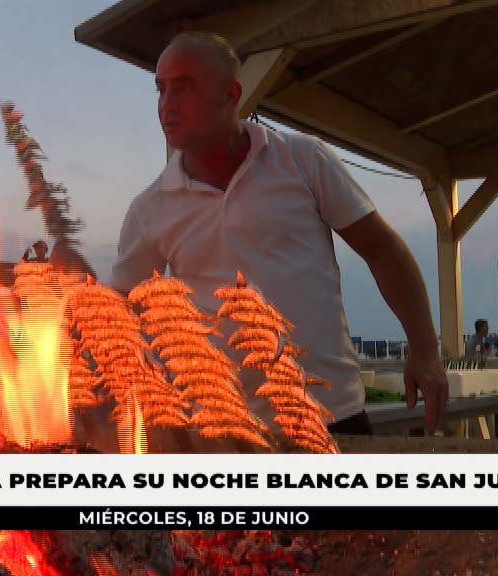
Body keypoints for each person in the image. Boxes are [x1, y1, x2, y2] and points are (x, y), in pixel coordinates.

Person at [110, 32, 448, 436]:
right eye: (161, 90)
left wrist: (425, 350)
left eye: (183, 88)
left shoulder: (302, 160)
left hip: (328, 417)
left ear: (230, 94)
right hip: (219, 431)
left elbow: (382, 249)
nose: (167, 105)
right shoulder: (151, 207)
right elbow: (118, 310)